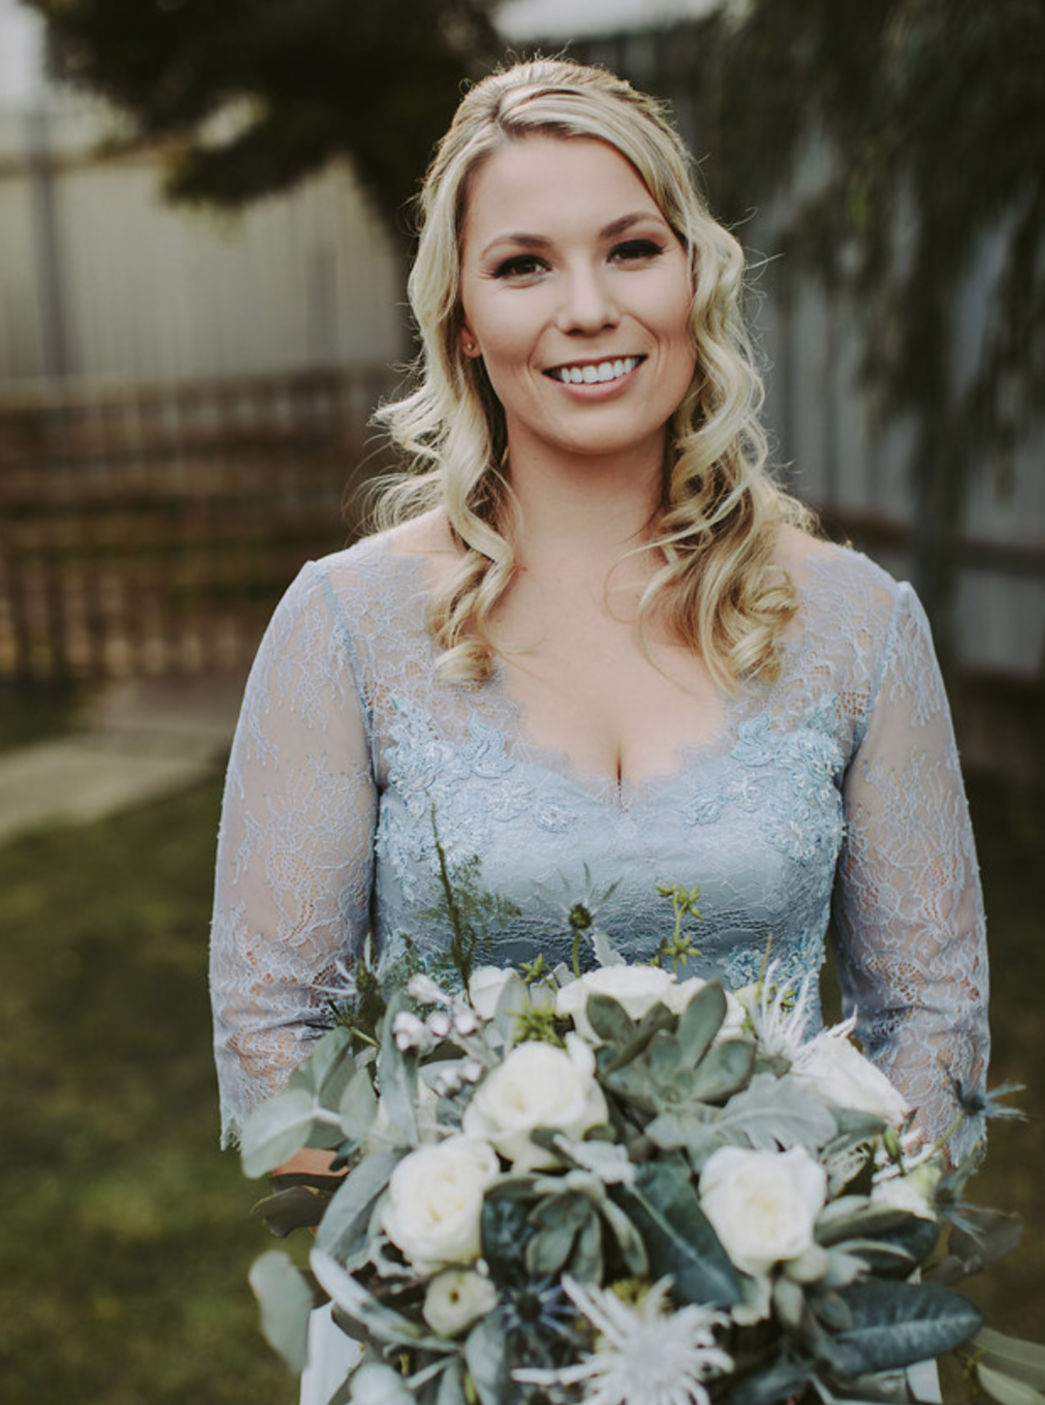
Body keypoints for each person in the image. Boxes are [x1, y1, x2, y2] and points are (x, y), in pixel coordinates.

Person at [209, 58, 989, 1400]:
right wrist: (482, 1273)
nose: (589, 309)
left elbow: (935, 1016)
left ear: (695, 276)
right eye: (523, 266)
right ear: (461, 321)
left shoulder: (860, 624)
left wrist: (784, 1273)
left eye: (631, 249)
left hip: (789, 1337)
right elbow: (274, 1032)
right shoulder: (349, 626)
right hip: (448, 1335)